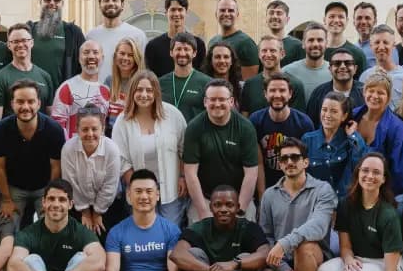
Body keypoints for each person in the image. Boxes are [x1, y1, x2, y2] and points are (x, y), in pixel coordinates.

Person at [317, 153, 403, 271]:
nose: (370, 176)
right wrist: (348, 258)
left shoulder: (388, 214)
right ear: (357, 173)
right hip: (358, 260)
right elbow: (345, 246)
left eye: (376, 172)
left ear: (383, 179)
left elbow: (391, 269)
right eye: (365, 170)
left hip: (387, 265)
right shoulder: (346, 205)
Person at [253, 137, 337, 271]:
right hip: (283, 262)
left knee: (304, 246)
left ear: (305, 162)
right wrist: (281, 268)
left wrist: (285, 243)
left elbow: (319, 226)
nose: (289, 162)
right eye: (284, 159)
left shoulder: (322, 189)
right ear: (280, 164)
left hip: (313, 257)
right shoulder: (270, 195)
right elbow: (266, 236)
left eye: (295, 157)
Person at [113, 70, 189, 227]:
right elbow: (121, 159)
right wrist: (139, 188)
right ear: (132, 92)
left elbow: (184, 149)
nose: (144, 94)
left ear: (156, 92)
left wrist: (182, 176)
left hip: (171, 186)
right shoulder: (123, 121)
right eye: (139, 90)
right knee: (145, 229)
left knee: (170, 230)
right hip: (140, 189)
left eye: (149, 90)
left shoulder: (173, 115)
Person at [0, 80, 67, 228]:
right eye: (20, 102)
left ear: (39, 103)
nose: (25, 107)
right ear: (12, 104)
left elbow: (56, 168)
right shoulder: (0, 130)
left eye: (31, 101)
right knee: (6, 227)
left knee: (52, 225)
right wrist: (6, 200)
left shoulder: (54, 130)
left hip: (44, 187)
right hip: (13, 188)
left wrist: (48, 197)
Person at [183, 80, 260, 222]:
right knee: (198, 237)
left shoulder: (245, 127)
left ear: (231, 101)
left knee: (246, 235)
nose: (217, 104)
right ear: (205, 102)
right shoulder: (194, 128)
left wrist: (240, 210)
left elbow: (251, 173)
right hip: (206, 198)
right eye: (212, 99)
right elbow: (190, 173)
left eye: (222, 99)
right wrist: (203, 212)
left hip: (238, 197)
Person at [249, 72, 314, 196]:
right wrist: (263, 196)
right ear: (265, 94)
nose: (277, 95)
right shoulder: (255, 121)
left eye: (282, 90)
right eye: (272, 90)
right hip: (266, 186)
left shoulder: (304, 123)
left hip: (296, 188)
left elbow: (306, 164)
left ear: (290, 94)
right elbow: (258, 163)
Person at [60, 107, 122, 234]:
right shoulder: (68, 149)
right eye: (85, 129)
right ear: (77, 129)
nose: (90, 134)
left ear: (102, 129)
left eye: (94, 129)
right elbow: (70, 183)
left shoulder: (112, 150)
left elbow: (110, 186)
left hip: (108, 204)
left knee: (103, 236)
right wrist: (85, 211)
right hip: (78, 204)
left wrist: (98, 212)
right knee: (79, 237)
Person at [352, 70, 403, 195]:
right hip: (351, 190)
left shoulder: (398, 129)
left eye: (380, 93)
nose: (374, 96)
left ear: (389, 97)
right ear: (364, 92)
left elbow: (400, 174)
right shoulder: (352, 116)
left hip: (382, 193)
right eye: (371, 91)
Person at [303, 91, 368, 195]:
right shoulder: (308, 139)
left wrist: (353, 135)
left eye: (334, 111)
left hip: (343, 202)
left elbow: (360, 165)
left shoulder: (350, 141)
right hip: (315, 202)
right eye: (324, 110)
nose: (327, 115)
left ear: (344, 116)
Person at [0, 25, 54, 119]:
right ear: (9, 45)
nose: (20, 45)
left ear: (32, 43)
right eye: (15, 42)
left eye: (24, 40)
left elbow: (50, 116)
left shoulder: (45, 77)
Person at [27, 0, 87, 92]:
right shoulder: (29, 30)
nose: (52, 3)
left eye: (56, 0)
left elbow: (83, 65)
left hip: (62, 97)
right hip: (31, 97)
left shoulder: (73, 32)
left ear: (62, 3)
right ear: (40, 2)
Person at [50, 40, 110, 137]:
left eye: (95, 52)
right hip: (73, 150)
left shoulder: (106, 90)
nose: (91, 56)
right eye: (86, 52)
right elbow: (57, 125)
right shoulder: (67, 87)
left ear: (102, 58)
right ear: (79, 58)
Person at [87, 0, 147, 82]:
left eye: (115, 0)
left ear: (122, 5)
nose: (110, 3)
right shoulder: (91, 36)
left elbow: (143, 69)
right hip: (97, 93)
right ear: (99, 5)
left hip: (126, 93)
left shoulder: (137, 35)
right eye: (106, 0)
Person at [157, 32, 214, 123]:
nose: (182, 53)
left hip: (194, 136)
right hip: (167, 135)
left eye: (186, 49)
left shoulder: (208, 83)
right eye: (178, 49)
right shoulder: (159, 83)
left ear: (194, 53)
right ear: (171, 52)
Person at [240, 36, 306, 115]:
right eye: (264, 51)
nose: (268, 54)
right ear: (259, 54)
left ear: (282, 54)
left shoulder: (295, 84)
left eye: (272, 50)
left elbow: (298, 119)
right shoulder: (250, 84)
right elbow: (245, 116)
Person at [144, 0, 206, 76]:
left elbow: (202, 75)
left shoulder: (199, 44)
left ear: (186, 13)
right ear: (166, 13)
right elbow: (150, 78)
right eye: (173, 10)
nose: (176, 14)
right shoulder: (153, 46)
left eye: (180, 10)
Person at [305, 47, 365, 124]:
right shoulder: (318, 93)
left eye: (348, 63)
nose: (343, 66)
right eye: (337, 63)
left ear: (355, 68)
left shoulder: (365, 92)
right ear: (330, 69)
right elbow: (311, 124)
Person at [207, 0, 259, 79]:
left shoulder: (246, 43)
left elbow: (248, 83)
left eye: (231, 10)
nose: (226, 14)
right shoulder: (212, 41)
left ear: (237, 14)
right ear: (216, 14)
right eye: (222, 10)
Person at [359, 25, 403, 109]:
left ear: (393, 45)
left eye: (385, 42)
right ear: (371, 46)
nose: (381, 47)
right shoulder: (365, 77)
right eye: (377, 42)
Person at [282, 22, 331, 100]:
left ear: (327, 43)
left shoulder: (334, 72)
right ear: (303, 44)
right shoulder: (287, 72)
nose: (315, 44)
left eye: (320, 40)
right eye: (311, 40)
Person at [105, 37, 144, 126]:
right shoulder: (109, 81)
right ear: (115, 56)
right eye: (122, 53)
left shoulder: (142, 82)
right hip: (111, 134)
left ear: (136, 58)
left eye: (130, 55)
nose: (125, 58)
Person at [321, 1, 368, 73]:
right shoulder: (317, 52)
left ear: (347, 21)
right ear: (324, 20)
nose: (336, 20)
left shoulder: (357, 54)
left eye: (341, 17)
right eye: (332, 16)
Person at [352, 1, 397, 69]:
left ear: (375, 21)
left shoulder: (386, 48)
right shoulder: (352, 49)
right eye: (359, 18)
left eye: (367, 18)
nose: (363, 22)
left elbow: (392, 73)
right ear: (354, 22)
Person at [265, 0, 304, 64]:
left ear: (287, 19)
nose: (274, 16)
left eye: (279, 13)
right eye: (271, 13)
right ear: (266, 18)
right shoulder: (260, 46)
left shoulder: (298, 46)